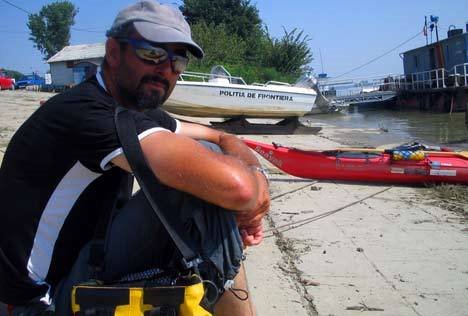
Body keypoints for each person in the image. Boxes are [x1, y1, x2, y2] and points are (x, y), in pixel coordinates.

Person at [0, 1, 270, 315]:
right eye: (152, 53)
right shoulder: (89, 113)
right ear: (113, 52)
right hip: (35, 302)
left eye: (176, 61)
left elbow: (220, 137)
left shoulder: (133, 109)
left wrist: (252, 175)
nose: (165, 69)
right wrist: (251, 196)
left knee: (208, 165)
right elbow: (239, 189)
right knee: (207, 184)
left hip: (87, 258)